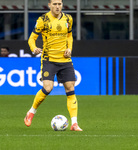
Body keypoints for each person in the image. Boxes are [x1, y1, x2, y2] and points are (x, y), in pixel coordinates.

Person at [24, 0, 82, 131]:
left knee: (70, 88)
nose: (57, 6)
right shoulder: (42, 19)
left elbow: (69, 35)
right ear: (49, 5)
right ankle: (31, 112)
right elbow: (31, 38)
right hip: (49, 59)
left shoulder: (68, 18)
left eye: (59, 4)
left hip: (65, 60)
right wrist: (34, 48)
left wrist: (69, 49)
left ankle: (74, 123)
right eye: (54, 4)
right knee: (48, 88)